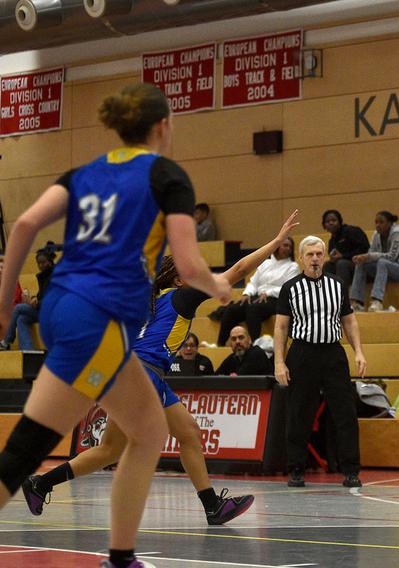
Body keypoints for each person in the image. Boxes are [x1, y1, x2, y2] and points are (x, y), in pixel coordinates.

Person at [0, 83, 232, 568]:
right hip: (97, 318)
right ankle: (119, 557)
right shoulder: (167, 176)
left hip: (61, 307)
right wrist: (219, 285)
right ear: (163, 126)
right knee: (27, 448)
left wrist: (4, 307)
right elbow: (188, 268)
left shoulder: (84, 172)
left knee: (147, 431)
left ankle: (121, 558)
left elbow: (22, 226)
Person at [21, 212, 298, 527]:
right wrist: (274, 243)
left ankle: (39, 484)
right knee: (179, 436)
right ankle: (211, 507)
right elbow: (237, 270)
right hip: (143, 375)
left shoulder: (148, 304)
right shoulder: (182, 297)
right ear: (179, 279)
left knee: (126, 446)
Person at [273, 236, 367, 489]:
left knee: (345, 412)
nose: (315, 259)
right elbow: (281, 327)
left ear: (324, 256)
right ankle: (295, 469)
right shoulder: (290, 288)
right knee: (298, 413)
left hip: (332, 353)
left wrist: (358, 351)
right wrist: (279, 363)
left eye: (319, 254)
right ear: (301, 258)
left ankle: (351, 470)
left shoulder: (337, 284)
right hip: (302, 353)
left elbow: (349, 321)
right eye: (310, 254)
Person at [216, 236, 300, 345]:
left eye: (289, 246)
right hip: (259, 297)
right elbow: (253, 282)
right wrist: (247, 293)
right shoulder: (265, 263)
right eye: (285, 245)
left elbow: (289, 288)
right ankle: (220, 344)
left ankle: (255, 344)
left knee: (253, 308)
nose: (287, 248)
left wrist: (268, 292)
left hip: (276, 300)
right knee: (232, 309)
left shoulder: (293, 267)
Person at [350, 210, 399, 312]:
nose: (378, 225)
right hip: (385, 268)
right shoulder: (376, 235)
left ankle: (377, 301)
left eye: (381, 222)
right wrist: (364, 258)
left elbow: (391, 257)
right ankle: (357, 303)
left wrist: (369, 256)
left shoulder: (398, 233)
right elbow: (371, 253)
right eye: (376, 222)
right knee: (362, 263)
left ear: (390, 223)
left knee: (382, 262)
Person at [0, 248, 55, 351]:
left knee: (18, 308)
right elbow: (42, 294)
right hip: (43, 310)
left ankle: (6, 341)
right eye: (39, 263)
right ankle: (28, 351)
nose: (41, 265)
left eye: (44, 262)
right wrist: (34, 298)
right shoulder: (43, 276)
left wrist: (37, 303)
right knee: (22, 319)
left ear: (50, 262)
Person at [322, 209, 370, 291]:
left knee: (342, 263)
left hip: (361, 266)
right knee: (328, 265)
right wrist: (333, 259)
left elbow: (365, 248)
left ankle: (342, 296)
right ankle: (328, 295)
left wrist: (343, 256)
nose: (331, 223)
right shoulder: (332, 241)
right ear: (324, 226)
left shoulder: (352, 231)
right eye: (327, 221)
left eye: (334, 220)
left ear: (340, 221)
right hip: (344, 269)